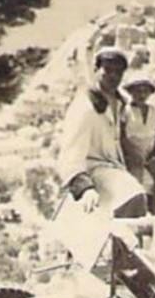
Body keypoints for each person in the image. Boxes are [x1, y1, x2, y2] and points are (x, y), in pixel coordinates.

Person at [57, 46, 146, 216]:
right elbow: (69, 156)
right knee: (133, 195)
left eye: (118, 72)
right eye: (108, 70)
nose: (113, 76)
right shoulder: (84, 107)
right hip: (93, 170)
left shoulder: (120, 104)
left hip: (115, 168)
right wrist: (85, 189)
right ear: (96, 70)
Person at [120, 74, 155, 214]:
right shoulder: (125, 111)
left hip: (150, 154)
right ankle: (137, 214)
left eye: (145, 91)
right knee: (137, 185)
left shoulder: (153, 111)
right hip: (131, 156)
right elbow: (120, 135)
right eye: (138, 91)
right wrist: (132, 154)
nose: (141, 95)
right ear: (131, 92)